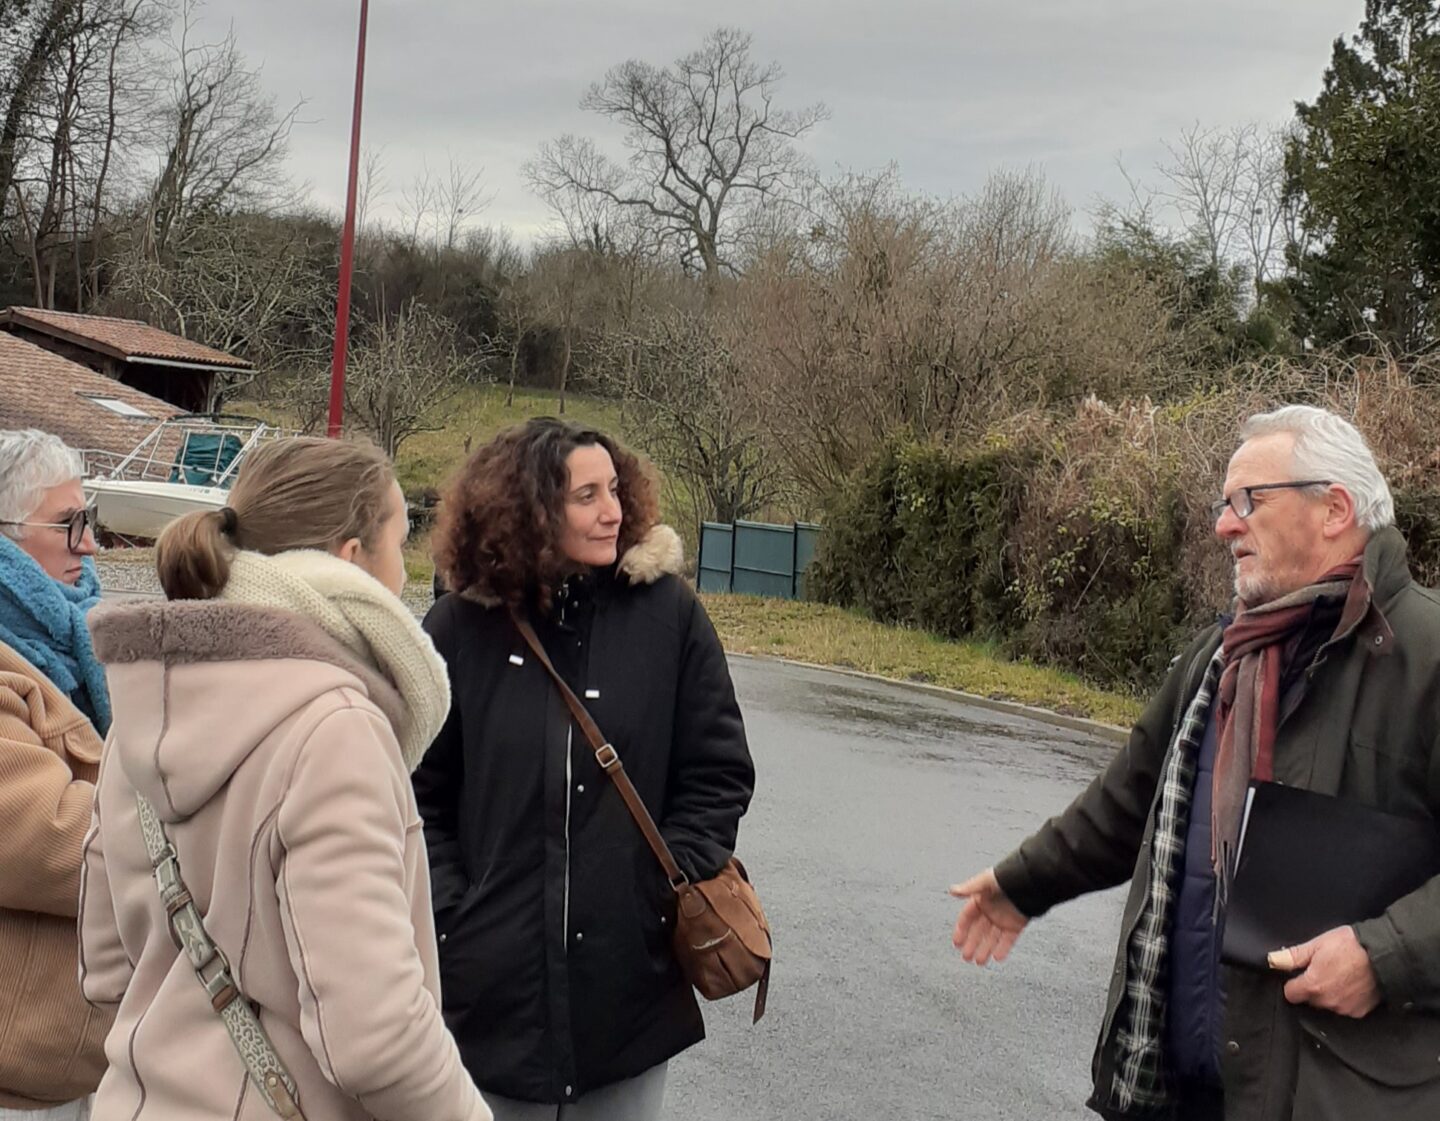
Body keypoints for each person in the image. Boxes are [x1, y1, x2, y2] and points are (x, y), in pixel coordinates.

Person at [952, 405, 1440, 1121]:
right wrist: (1022, 882)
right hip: (1177, 1090)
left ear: (1334, 508)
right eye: (1223, 504)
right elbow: (1126, 802)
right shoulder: (1220, 659)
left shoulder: (1426, 656)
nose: (1224, 524)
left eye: (1248, 500)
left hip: (1340, 1097)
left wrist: (1384, 956)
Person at [79, 437, 490, 1121]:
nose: (405, 574)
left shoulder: (150, 703)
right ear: (352, 559)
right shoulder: (336, 728)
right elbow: (377, 1035)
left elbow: (102, 966)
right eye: (400, 542)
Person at [415, 417, 755, 1121]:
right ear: (530, 511)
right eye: (586, 495)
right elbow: (416, 791)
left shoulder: (670, 617)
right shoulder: (457, 630)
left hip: (626, 996)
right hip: (489, 1002)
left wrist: (656, 892)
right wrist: (457, 913)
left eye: (615, 489)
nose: (613, 511)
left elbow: (718, 771)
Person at [0, 430, 110, 1118]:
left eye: (89, 521)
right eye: (69, 525)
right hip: (20, 1066)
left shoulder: (78, 637)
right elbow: (45, 837)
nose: (90, 546)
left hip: (74, 1052)